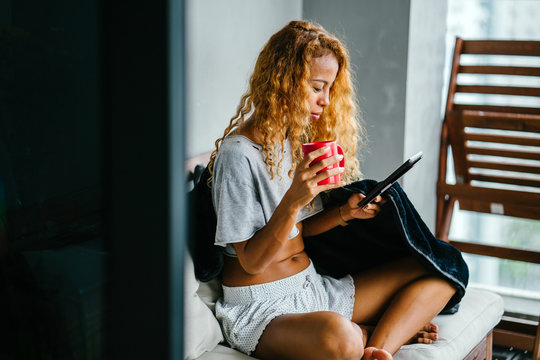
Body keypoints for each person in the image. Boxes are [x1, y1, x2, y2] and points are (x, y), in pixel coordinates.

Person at [208, 20, 457, 360]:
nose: (325, 101)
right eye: (317, 87)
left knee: (438, 270)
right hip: (262, 308)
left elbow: (298, 234)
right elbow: (251, 261)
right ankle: (376, 335)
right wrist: (294, 200)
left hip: (313, 288)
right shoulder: (237, 157)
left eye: (329, 89)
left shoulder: (289, 144)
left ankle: (376, 349)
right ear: (283, 82)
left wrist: (344, 213)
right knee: (341, 339)